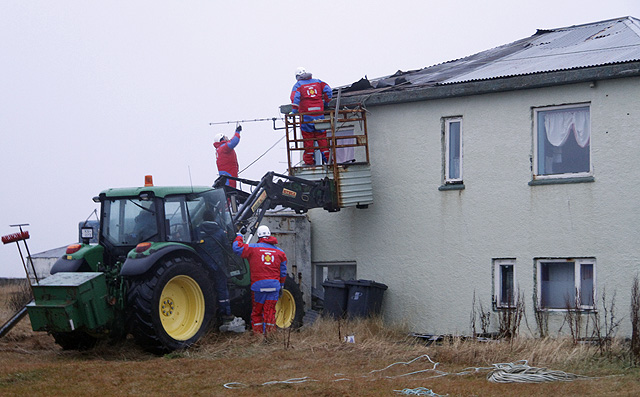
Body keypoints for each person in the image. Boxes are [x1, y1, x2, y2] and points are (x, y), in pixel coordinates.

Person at [196, 210, 245, 333]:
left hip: (201, 266)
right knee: (222, 289)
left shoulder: (197, 231)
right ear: (214, 219)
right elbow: (228, 249)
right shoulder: (219, 232)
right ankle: (225, 313)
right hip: (218, 265)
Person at [232, 225, 287, 336]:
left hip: (258, 287)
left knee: (257, 312)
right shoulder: (280, 253)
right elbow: (283, 273)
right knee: (270, 311)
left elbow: (237, 248)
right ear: (269, 235)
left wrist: (239, 236)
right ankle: (270, 336)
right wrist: (281, 286)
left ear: (258, 235)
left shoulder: (252, 248)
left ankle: (258, 336)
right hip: (274, 287)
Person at [290, 67, 333, 165]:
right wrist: (326, 103)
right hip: (319, 116)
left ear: (297, 77)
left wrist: (294, 111)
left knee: (308, 140)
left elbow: (294, 97)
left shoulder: (298, 85)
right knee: (322, 138)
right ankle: (328, 160)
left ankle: (309, 162)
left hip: (306, 117)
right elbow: (328, 91)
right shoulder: (318, 82)